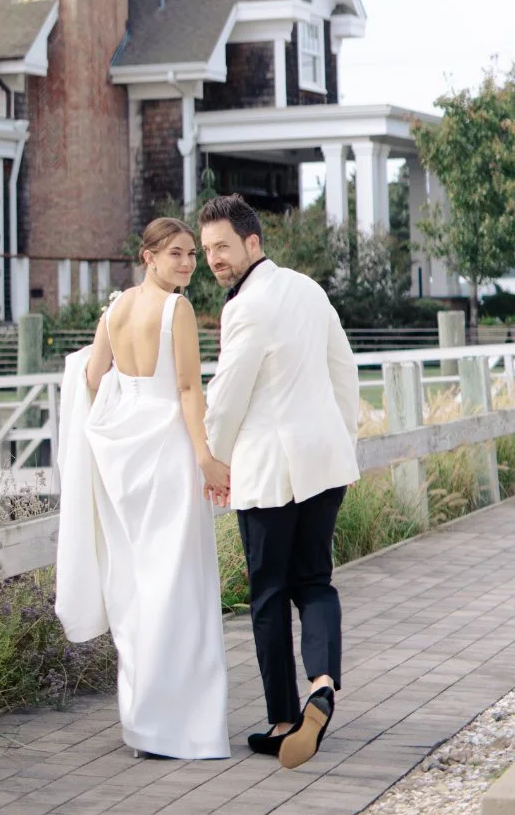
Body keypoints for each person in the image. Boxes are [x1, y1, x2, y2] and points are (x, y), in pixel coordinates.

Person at [55, 216, 231, 761]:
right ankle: (181, 727)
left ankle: (143, 722)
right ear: (148, 257)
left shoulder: (113, 311)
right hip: (168, 454)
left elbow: (90, 380)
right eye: (176, 254)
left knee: (137, 581)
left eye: (191, 256)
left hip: (123, 459)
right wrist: (205, 455)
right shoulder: (175, 309)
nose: (186, 264)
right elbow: (185, 388)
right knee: (178, 583)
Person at [200, 192, 360, 770]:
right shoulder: (310, 290)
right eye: (207, 251)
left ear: (252, 243)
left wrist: (212, 457)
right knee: (315, 581)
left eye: (223, 247)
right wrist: (343, 440)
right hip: (324, 463)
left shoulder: (245, 307)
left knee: (268, 595)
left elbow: (229, 393)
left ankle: (285, 719)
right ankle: (321, 682)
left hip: (271, 471)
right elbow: (343, 369)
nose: (215, 259)